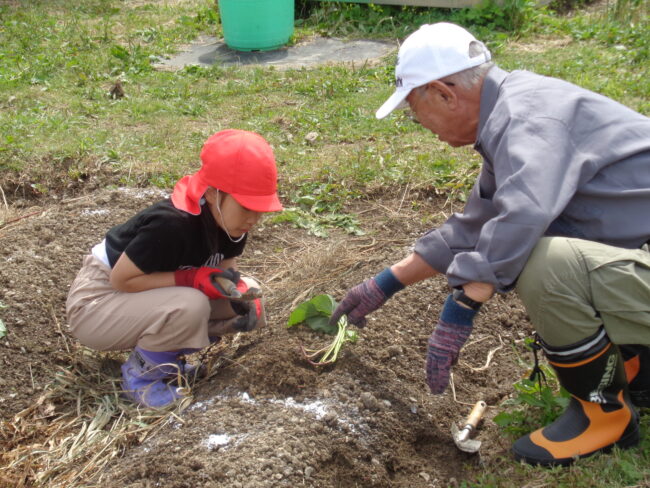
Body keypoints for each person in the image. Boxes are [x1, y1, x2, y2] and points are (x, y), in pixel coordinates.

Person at [331, 22, 650, 466]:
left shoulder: (527, 119)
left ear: (444, 93)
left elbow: (524, 214)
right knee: (545, 253)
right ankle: (637, 368)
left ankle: (604, 417)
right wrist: (386, 282)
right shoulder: (513, 110)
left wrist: (463, 306)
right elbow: (478, 223)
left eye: (414, 110)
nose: (418, 124)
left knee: (545, 264)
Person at [66, 129, 283, 408]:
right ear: (213, 193)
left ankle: (167, 362)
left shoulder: (232, 224)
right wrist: (190, 278)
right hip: (97, 304)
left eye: (260, 209)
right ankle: (142, 377)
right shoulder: (172, 224)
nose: (254, 218)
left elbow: (226, 273)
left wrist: (238, 294)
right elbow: (122, 280)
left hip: (142, 299)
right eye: (246, 207)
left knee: (250, 297)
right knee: (189, 304)